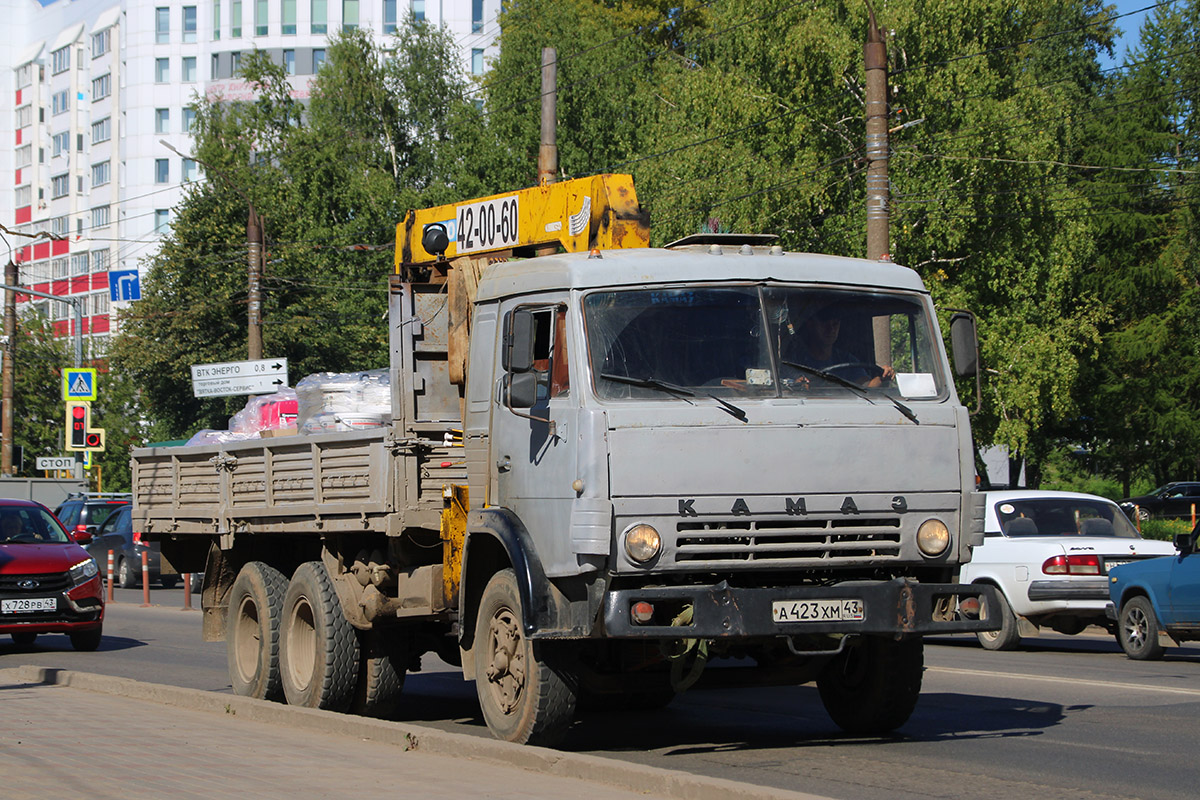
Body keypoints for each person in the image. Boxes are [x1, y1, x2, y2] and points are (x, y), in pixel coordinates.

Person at [792, 309, 895, 388]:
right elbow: (785, 390)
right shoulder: (795, 360)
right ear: (811, 325)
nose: (831, 329)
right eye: (824, 324)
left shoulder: (847, 360)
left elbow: (866, 387)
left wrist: (883, 377)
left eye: (835, 324)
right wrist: (798, 385)